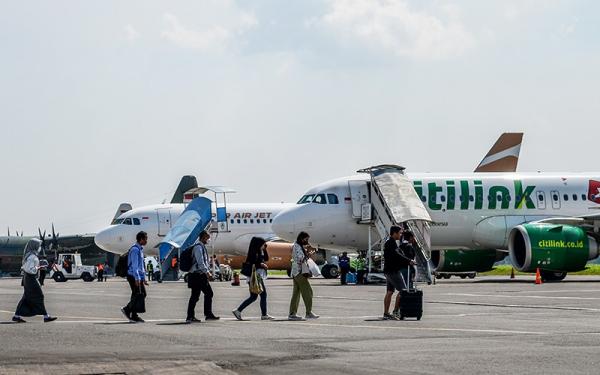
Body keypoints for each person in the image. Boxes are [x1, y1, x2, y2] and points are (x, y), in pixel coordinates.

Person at [12, 239, 57, 323]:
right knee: (39, 296)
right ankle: (46, 316)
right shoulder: (32, 256)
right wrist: (38, 267)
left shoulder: (29, 255)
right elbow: (30, 270)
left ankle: (16, 316)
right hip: (31, 278)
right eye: (39, 245)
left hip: (27, 278)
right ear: (34, 246)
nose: (40, 247)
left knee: (26, 297)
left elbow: (25, 268)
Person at [232, 237, 274, 321]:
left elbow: (266, 259)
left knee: (253, 297)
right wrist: (261, 265)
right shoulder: (253, 253)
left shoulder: (259, 251)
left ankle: (238, 310)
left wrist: (265, 249)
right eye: (262, 244)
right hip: (255, 277)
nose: (263, 245)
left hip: (255, 277)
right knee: (263, 294)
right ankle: (264, 315)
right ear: (258, 244)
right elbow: (254, 263)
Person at [186, 231, 220, 323]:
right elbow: (200, 262)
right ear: (203, 237)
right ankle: (199, 315)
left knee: (198, 295)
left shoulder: (201, 247)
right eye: (207, 238)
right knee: (201, 295)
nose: (208, 240)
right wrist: (208, 273)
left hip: (199, 275)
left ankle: (194, 316)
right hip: (197, 275)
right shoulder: (198, 248)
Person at [383, 226, 415, 320]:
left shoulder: (390, 243)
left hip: (388, 270)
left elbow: (397, 254)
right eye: (399, 233)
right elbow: (397, 255)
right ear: (394, 233)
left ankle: (386, 313)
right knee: (403, 291)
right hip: (393, 271)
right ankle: (396, 311)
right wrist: (409, 260)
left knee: (390, 292)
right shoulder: (391, 243)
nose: (401, 235)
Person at [288, 232, 319, 321]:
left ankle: (292, 313)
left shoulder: (296, 245)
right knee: (308, 292)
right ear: (302, 238)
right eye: (306, 239)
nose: (307, 241)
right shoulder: (297, 246)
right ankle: (308, 313)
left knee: (296, 294)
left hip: (295, 272)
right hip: (299, 272)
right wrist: (309, 254)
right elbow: (301, 258)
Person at [121, 231, 148, 323]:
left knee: (139, 294)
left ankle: (133, 314)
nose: (146, 241)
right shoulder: (135, 250)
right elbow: (135, 266)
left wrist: (143, 278)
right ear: (141, 239)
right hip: (133, 276)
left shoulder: (140, 249)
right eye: (145, 239)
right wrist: (137, 278)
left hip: (137, 276)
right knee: (139, 294)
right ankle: (127, 310)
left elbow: (141, 266)